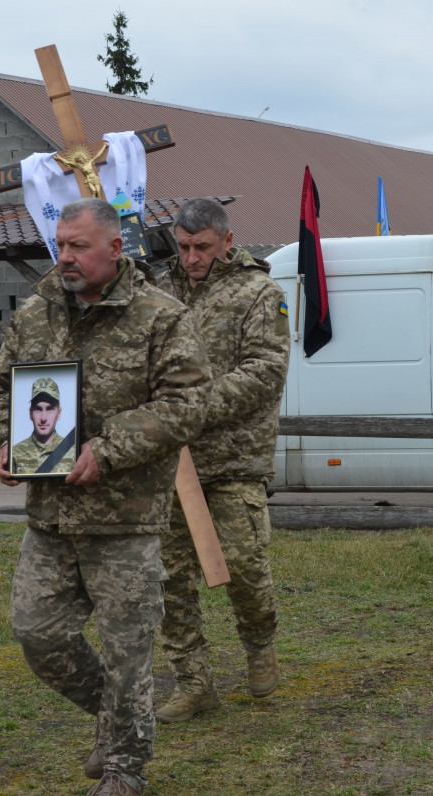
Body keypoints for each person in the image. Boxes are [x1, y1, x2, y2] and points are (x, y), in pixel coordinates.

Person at [0, 197, 212, 796]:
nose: (66, 256)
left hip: (125, 517)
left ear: (116, 247)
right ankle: (116, 723)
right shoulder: (34, 314)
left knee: (128, 650)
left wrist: (106, 451)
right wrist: (8, 441)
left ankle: (125, 771)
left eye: (79, 246)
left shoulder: (159, 316)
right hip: (51, 518)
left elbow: (188, 406)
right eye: (61, 243)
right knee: (38, 633)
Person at [142, 198, 290, 724]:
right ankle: (193, 681)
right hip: (170, 461)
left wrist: (194, 405)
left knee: (245, 565)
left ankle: (259, 647)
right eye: (182, 247)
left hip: (233, 458)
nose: (191, 258)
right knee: (170, 576)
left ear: (227, 241)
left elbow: (265, 371)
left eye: (201, 247)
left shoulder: (260, 293)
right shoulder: (158, 291)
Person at [10, 376, 77, 475]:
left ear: (59, 413)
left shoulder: (73, 451)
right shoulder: (15, 453)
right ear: (30, 413)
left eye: (50, 409)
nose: (43, 418)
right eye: (38, 409)